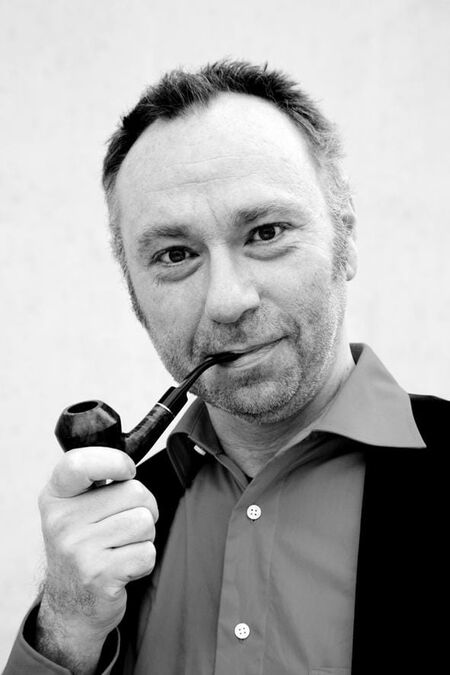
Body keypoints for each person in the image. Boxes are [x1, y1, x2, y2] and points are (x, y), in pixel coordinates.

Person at [4, 60, 448, 675]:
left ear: (344, 239)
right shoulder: (120, 526)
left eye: (265, 232)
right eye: (175, 255)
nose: (228, 300)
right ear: (134, 293)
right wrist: (67, 623)